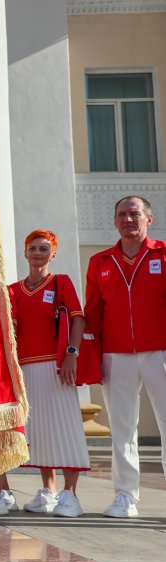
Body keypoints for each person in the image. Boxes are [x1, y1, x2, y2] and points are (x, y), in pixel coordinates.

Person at [0, 229, 90, 517]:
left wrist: (72, 354)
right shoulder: (13, 290)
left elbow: (78, 320)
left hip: (56, 368)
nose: (37, 253)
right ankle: (47, 491)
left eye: (43, 249)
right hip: (22, 370)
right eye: (33, 248)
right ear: (25, 253)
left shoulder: (61, 283)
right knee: (30, 432)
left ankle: (70, 495)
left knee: (64, 428)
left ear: (53, 254)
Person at [86, 196, 166, 518]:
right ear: (115, 221)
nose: (128, 219)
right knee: (122, 429)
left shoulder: (163, 253)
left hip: (160, 351)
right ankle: (125, 498)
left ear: (149, 218)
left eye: (134, 213)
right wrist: (90, 355)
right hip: (116, 355)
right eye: (122, 214)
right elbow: (92, 313)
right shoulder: (100, 261)